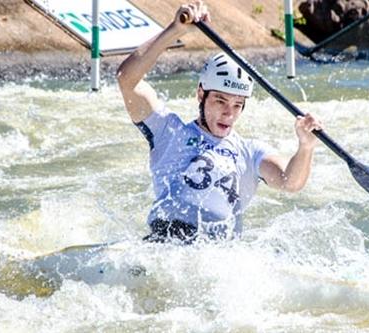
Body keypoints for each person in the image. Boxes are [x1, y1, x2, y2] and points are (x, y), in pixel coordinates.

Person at [116, 0, 323, 243]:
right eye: (220, 101)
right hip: (163, 245)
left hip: (216, 257)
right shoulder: (168, 132)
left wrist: (306, 146)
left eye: (237, 105)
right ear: (201, 95)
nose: (229, 113)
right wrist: (174, 31)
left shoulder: (250, 152)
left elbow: (291, 181)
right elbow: (127, 79)